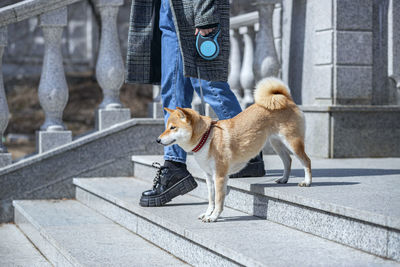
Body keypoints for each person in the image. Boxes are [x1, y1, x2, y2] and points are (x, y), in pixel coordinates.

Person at [126, 0, 265, 207]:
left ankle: (248, 150)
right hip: (168, 8)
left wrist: (205, 13)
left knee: (209, 85)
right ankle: (174, 167)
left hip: (193, 7)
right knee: (172, 91)